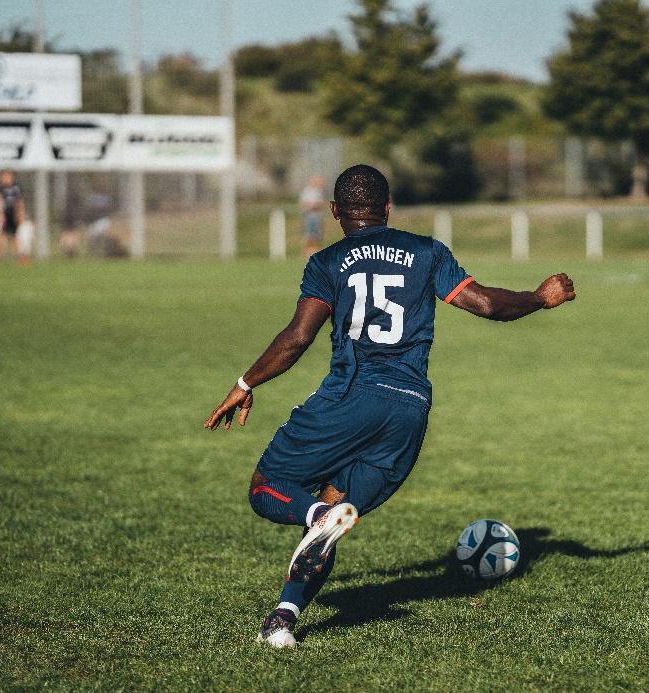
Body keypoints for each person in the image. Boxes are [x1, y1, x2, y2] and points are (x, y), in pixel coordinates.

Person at [204, 164, 576, 648]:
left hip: (349, 398)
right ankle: (282, 621)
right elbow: (486, 304)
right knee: (333, 514)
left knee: (268, 489)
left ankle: (315, 516)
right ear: (388, 207)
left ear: (336, 212)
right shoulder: (426, 252)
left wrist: (245, 382)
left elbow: (297, 338)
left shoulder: (327, 262)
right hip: (407, 412)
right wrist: (539, 297)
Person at [0, 170, 33, 265]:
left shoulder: (16, 188)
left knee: (16, 236)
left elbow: (19, 202)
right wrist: (0, 214)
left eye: (9, 176)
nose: (7, 179)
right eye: (5, 176)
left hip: (13, 215)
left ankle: (21, 256)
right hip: (1, 215)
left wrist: (20, 214)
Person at [299, 175, 326, 257]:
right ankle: (305, 253)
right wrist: (313, 205)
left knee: (316, 235)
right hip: (309, 217)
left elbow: (321, 204)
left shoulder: (319, 192)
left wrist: (315, 205)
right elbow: (304, 205)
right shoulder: (307, 191)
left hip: (317, 217)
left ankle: (314, 253)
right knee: (308, 235)